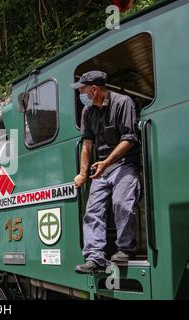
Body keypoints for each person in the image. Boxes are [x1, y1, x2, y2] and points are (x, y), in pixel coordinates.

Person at [70, 71, 142, 274]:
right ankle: (95, 257)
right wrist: (83, 173)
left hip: (124, 163)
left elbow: (129, 139)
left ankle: (126, 249)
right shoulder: (87, 112)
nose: (81, 94)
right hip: (101, 169)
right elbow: (87, 144)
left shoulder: (123, 102)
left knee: (121, 203)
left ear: (94, 89)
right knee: (93, 211)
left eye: (83, 90)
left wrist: (106, 162)